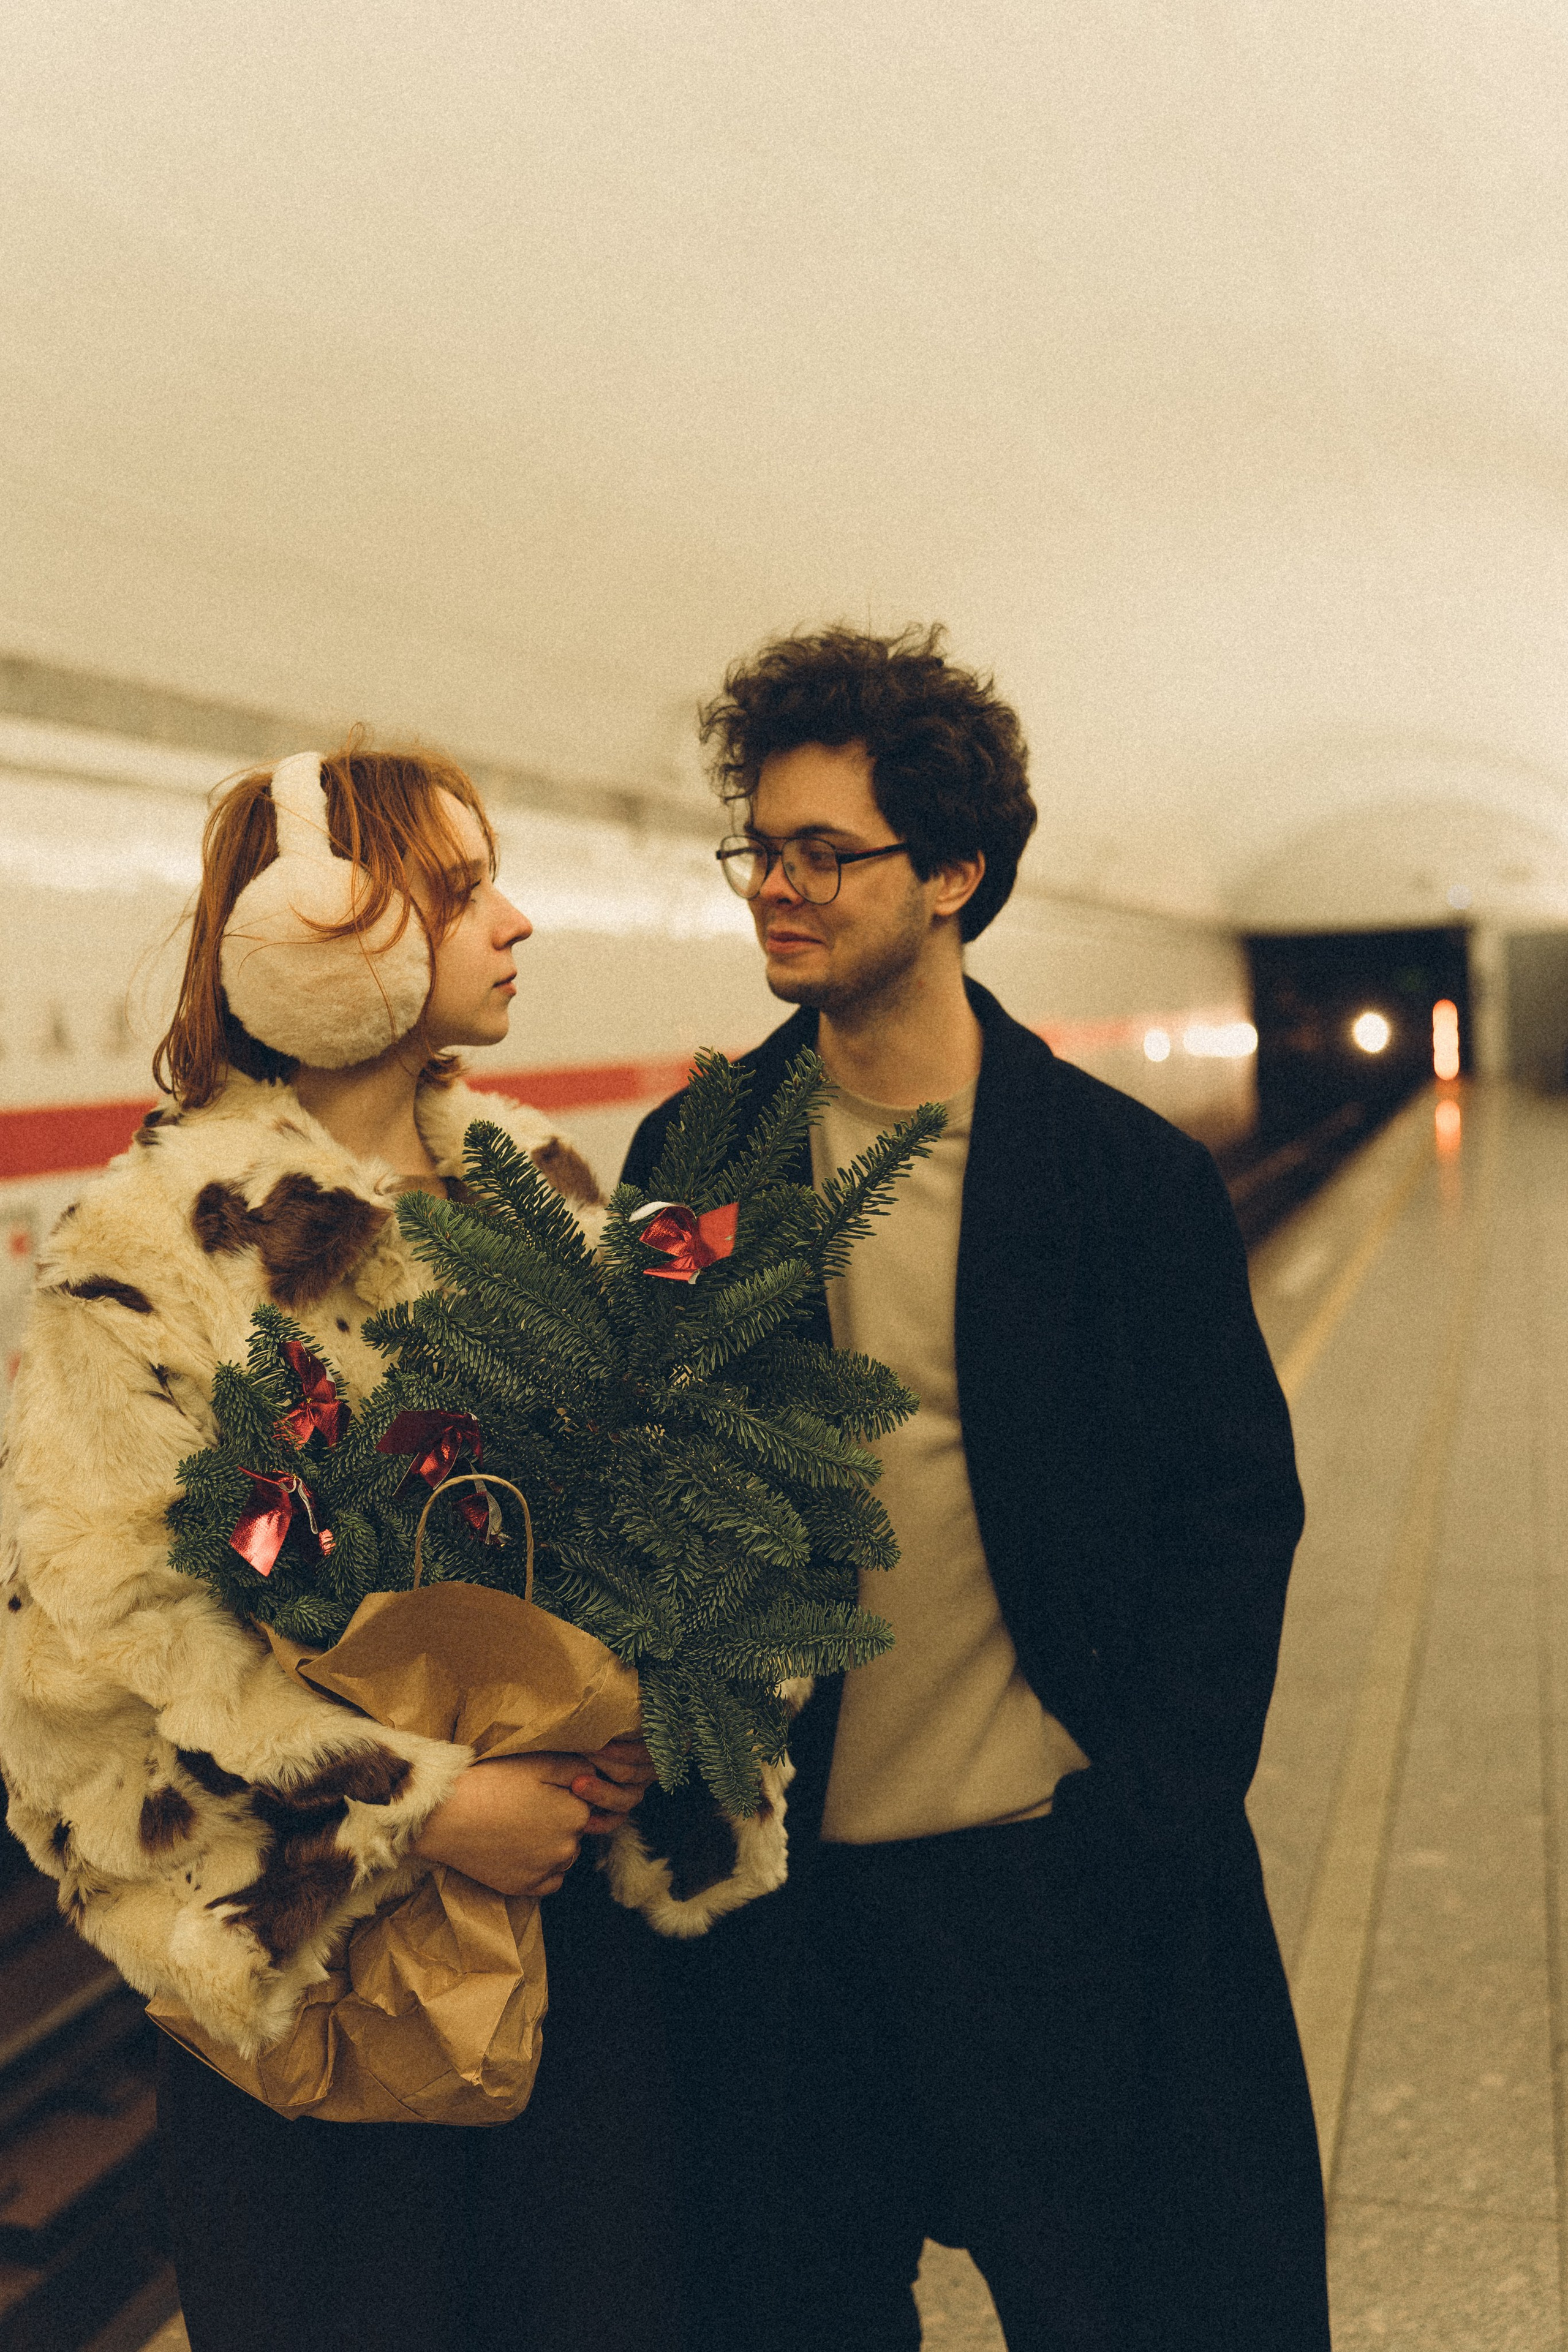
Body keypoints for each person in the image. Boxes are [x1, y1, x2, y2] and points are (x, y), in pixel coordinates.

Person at [622, 627, 1330, 2352]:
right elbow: (640, 1477)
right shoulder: (694, 1164)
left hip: (1048, 1887)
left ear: (953, 872)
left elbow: (1235, 1515)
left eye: (823, 855)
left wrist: (1141, 1810)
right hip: (786, 1922)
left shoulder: (1119, 1180)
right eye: (760, 850)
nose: (776, 891)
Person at [0, 742, 725, 2352]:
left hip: (572, 1958)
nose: (518, 923)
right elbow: (87, 1669)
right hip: (312, 2017)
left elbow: (667, 1508)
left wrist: (627, 1736)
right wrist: (431, 1807)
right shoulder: (144, 1240)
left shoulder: (537, 1185)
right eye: (463, 894)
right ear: (322, 934)